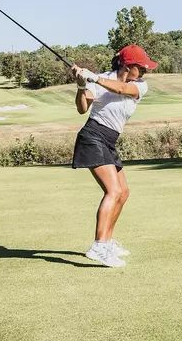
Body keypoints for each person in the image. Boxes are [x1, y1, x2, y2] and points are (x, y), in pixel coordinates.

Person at [71, 45, 158, 267]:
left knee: (123, 192)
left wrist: (93, 78)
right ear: (128, 66)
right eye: (142, 67)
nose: (145, 71)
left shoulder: (139, 85)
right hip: (93, 137)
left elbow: (120, 89)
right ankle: (99, 246)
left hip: (109, 141)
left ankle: (107, 242)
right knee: (113, 191)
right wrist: (82, 86)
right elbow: (82, 109)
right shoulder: (102, 79)